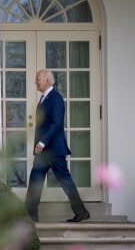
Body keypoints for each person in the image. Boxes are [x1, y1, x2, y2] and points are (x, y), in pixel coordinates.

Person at [24, 69, 90, 223]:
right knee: (35, 180)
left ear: (47, 80)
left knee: (65, 180)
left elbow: (56, 124)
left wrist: (42, 142)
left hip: (53, 149)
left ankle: (81, 212)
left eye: (38, 79)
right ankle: (30, 214)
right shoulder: (44, 98)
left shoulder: (56, 98)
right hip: (43, 151)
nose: (35, 82)